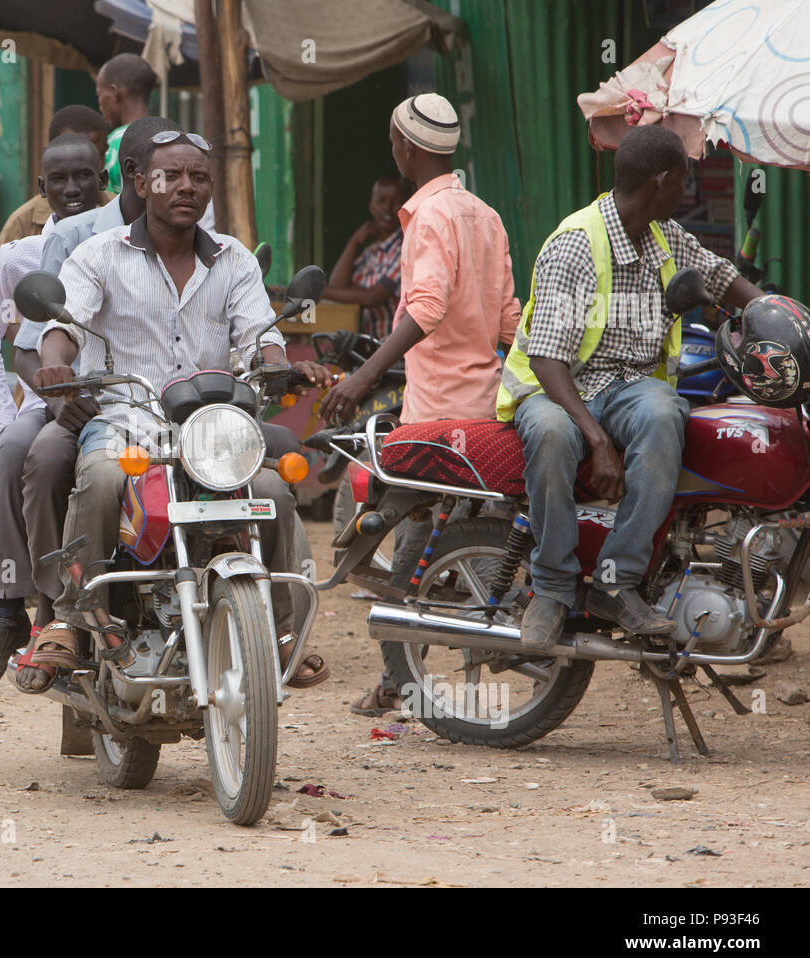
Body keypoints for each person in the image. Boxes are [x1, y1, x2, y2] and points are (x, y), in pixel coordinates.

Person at [22, 130, 334, 693]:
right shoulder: (100, 255)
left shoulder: (234, 259)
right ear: (141, 183)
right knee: (97, 479)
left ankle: (282, 632)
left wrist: (272, 359)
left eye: (199, 177)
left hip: (213, 432)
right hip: (127, 423)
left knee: (277, 491)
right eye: (171, 176)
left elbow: (259, 334)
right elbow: (62, 326)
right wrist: (55, 364)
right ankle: (72, 617)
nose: (186, 187)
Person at [498, 126, 763, 650]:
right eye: (683, 179)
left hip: (628, 385)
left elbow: (719, 278)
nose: (685, 190)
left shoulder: (666, 235)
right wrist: (596, 440)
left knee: (667, 413)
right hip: (557, 385)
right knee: (552, 435)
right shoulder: (576, 244)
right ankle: (551, 586)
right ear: (661, 181)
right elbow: (547, 359)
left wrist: (776, 313)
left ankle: (617, 582)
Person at [318, 94, 521, 715]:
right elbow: (509, 319)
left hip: (435, 411)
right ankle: (418, 660)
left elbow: (425, 308)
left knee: (404, 526)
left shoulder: (429, 218)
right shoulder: (484, 215)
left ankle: (397, 676)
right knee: (452, 527)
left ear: (403, 147)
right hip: (485, 405)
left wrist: (363, 378)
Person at [0, 133, 107, 689]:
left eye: (84, 177)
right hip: (49, 405)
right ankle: (10, 606)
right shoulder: (18, 259)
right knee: (17, 449)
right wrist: (8, 415)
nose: (72, 189)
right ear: (41, 189)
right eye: (59, 180)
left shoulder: (123, 244)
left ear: (104, 182)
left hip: (121, 399)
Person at [0, 106, 114, 251]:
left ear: (103, 179)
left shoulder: (119, 213)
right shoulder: (23, 224)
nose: (72, 189)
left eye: (98, 153)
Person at [322, 175, 410, 338]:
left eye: (396, 202)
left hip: (397, 351)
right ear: (371, 207)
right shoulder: (373, 251)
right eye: (381, 201)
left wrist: (318, 292)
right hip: (373, 347)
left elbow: (372, 297)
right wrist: (354, 242)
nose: (387, 207)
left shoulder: (406, 247)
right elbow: (337, 285)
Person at [95, 54, 158, 194]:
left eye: (100, 95)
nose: (100, 105)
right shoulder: (174, 137)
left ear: (115, 93)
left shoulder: (109, 147)